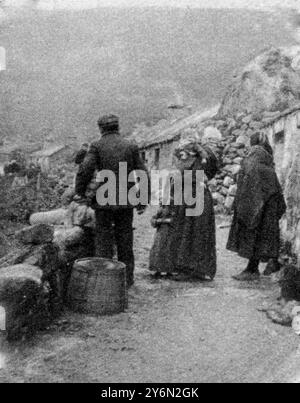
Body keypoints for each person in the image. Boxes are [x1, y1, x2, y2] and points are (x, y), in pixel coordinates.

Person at [75, 115, 149, 287]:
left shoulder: (97, 146)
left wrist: (80, 191)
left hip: (104, 199)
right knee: (125, 238)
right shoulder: (130, 146)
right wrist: (142, 200)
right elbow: (143, 173)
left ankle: (105, 280)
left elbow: (85, 170)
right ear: (118, 127)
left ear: (101, 129)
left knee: (103, 239)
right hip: (126, 199)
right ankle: (127, 279)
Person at [149, 136, 218, 281]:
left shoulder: (193, 164)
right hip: (198, 197)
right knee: (196, 232)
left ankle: (189, 268)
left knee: (191, 231)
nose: (179, 162)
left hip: (193, 198)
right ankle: (198, 268)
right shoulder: (205, 161)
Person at [227, 132, 286, 281]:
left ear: (252, 144)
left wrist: (241, 205)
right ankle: (263, 265)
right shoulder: (267, 158)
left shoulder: (252, 159)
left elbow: (248, 182)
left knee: (253, 235)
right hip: (268, 204)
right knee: (264, 236)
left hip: (256, 204)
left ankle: (252, 270)